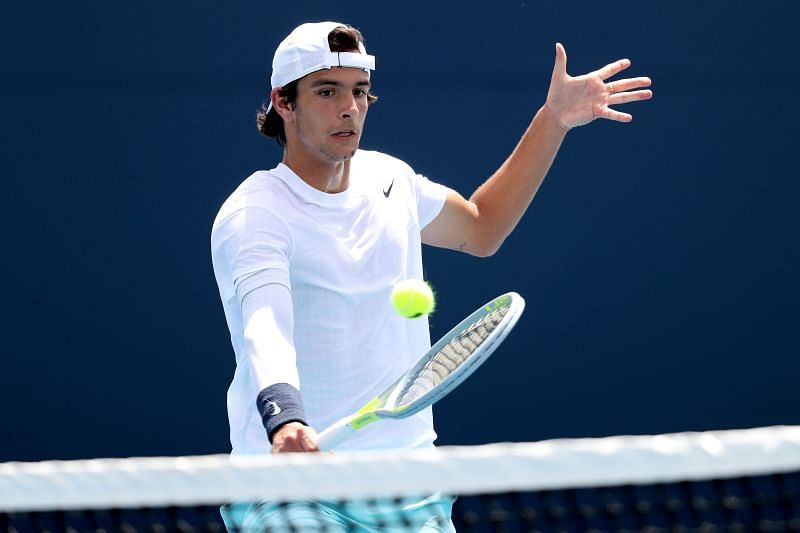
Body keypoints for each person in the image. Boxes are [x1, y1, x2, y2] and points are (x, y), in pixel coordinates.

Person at [211, 20, 652, 532]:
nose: (349, 107)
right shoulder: (256, 213)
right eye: (326, 92)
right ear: (284, 103)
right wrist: (286, 421)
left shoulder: (391, 180)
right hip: (291, 489)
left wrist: (553, 119)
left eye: (359, 92)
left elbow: (483, 228)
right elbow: (265, 325)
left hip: (408, 487)